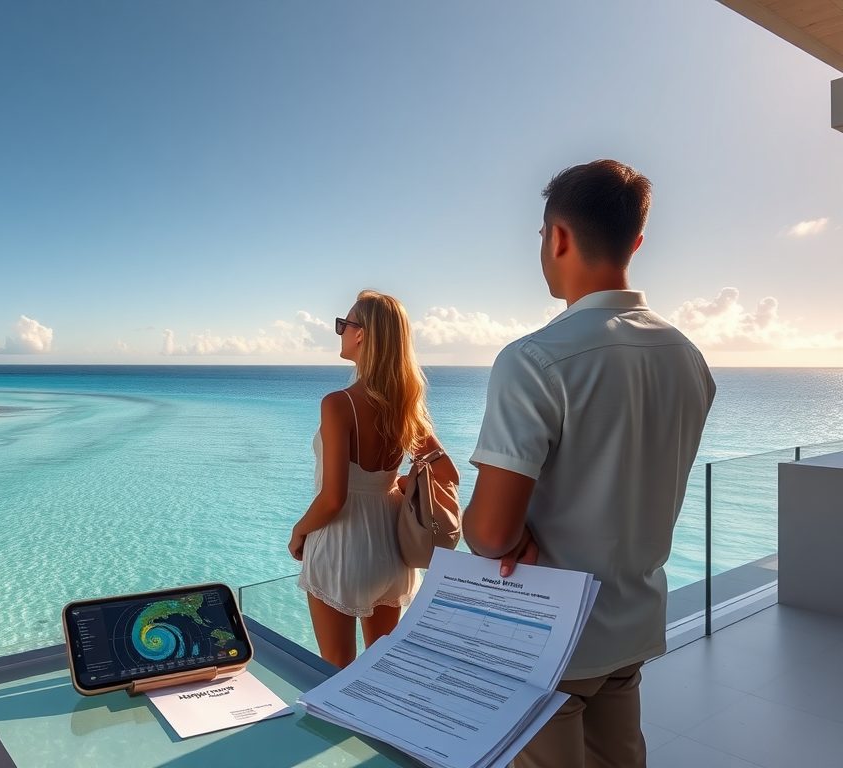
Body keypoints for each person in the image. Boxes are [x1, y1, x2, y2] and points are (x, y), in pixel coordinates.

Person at [463, 159, 715, 768]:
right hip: (630, 622)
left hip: (548, 637)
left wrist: (493, 528)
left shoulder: (535, 360)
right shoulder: (688, 359)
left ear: (558, 237)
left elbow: (491, 534)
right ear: (636, 240)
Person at [291, 289, 457, 668]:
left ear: (361, 334)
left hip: (342, 548)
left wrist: (300, 531)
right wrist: (396, 485)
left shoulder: (339, 404)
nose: (341, 333)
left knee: (334, 671)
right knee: (382, 667)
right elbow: (448, 473)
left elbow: (334, 498)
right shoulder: (405, 405)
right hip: (391, 553)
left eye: (343, 325)